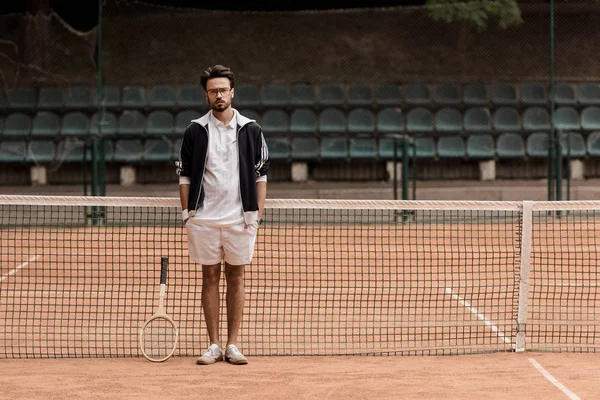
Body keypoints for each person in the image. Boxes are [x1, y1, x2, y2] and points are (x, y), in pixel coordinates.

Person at [176, 65, 269, 365]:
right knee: (209, 277)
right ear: (206, 94)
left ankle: (233, 345)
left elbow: (261, 174)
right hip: (203, 218)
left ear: (232, 92)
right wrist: (186, 214)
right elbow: (185, 175)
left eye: (223, 89)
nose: (219, 95)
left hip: (240, 219)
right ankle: (213, 345)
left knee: (237, 276)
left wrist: (256, 214)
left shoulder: (251, 129)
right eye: (213, 90)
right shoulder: (195, 130)